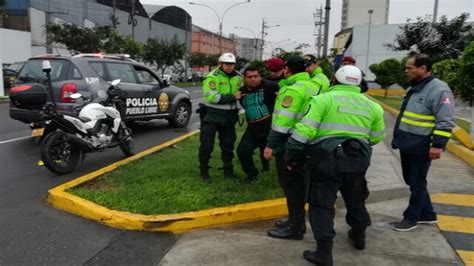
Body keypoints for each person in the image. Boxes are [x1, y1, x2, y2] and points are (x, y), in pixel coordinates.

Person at [285, 65, 385, 265]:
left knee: (321, 204)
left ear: (334, 81)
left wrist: (292, 154)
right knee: (356, 199)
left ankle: (324, 253)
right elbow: (376, 137)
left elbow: (305, 131)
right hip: (357, 160)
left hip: (326, 160)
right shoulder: (373, 106)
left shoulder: (323, 100)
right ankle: (359, 235)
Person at [390, 53, 455, 231]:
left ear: (423, 68)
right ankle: (427, 214)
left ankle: (411, 218)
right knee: (412, 180)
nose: (406, 71)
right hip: (408, 143)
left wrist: (438, 145)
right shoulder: (416, 86)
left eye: (409, 68)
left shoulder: (439, 90)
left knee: (417, 182)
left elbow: (445, 121)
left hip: (421, 145)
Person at [263, 56, 319, 240]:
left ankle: (295, 227)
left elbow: (282, 123)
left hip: (291, 142)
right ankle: (295, 221)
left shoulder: (293, 90)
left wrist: (270, 145)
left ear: (287, 69)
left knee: (291, 186)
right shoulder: (313, 85)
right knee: (298, 184)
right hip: (308, 141)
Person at [198, 52, 242, 182]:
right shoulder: (213, 77)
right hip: (211, 116)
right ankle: (204, 171)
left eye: (232, 64)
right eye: (227, 64)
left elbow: (242, 91)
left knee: (228, 146)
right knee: (207, 145)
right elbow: (212, 97)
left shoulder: (238, 77)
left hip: (229, 117)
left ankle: (228, 170)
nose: (230, 67)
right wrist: (233, 97)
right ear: (220, 64)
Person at [237, 66, 280, 183]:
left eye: (256, 76)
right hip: (253, 129)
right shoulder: (242, 92)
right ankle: (252, 174)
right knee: (242, 151)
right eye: (249, 77)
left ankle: (289, 178)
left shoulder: (271, 86)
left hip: (271, 129)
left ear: (260, 76)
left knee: (282, 154)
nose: (253, 79)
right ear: (244, 78)